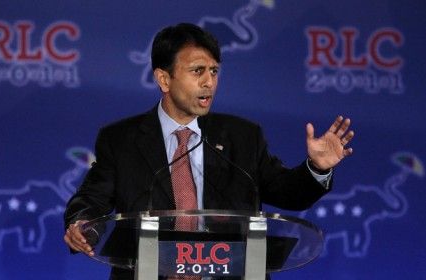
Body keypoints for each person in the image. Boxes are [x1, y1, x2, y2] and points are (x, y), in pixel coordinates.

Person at [64, 23, 354, 279]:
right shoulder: (121, 139)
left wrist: (317, 168)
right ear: (164, 79)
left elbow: (286, 192)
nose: (209, 82)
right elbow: (92, 197)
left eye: (214, 71)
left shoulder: (242, 137)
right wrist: (80, 224)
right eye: (197, 71)